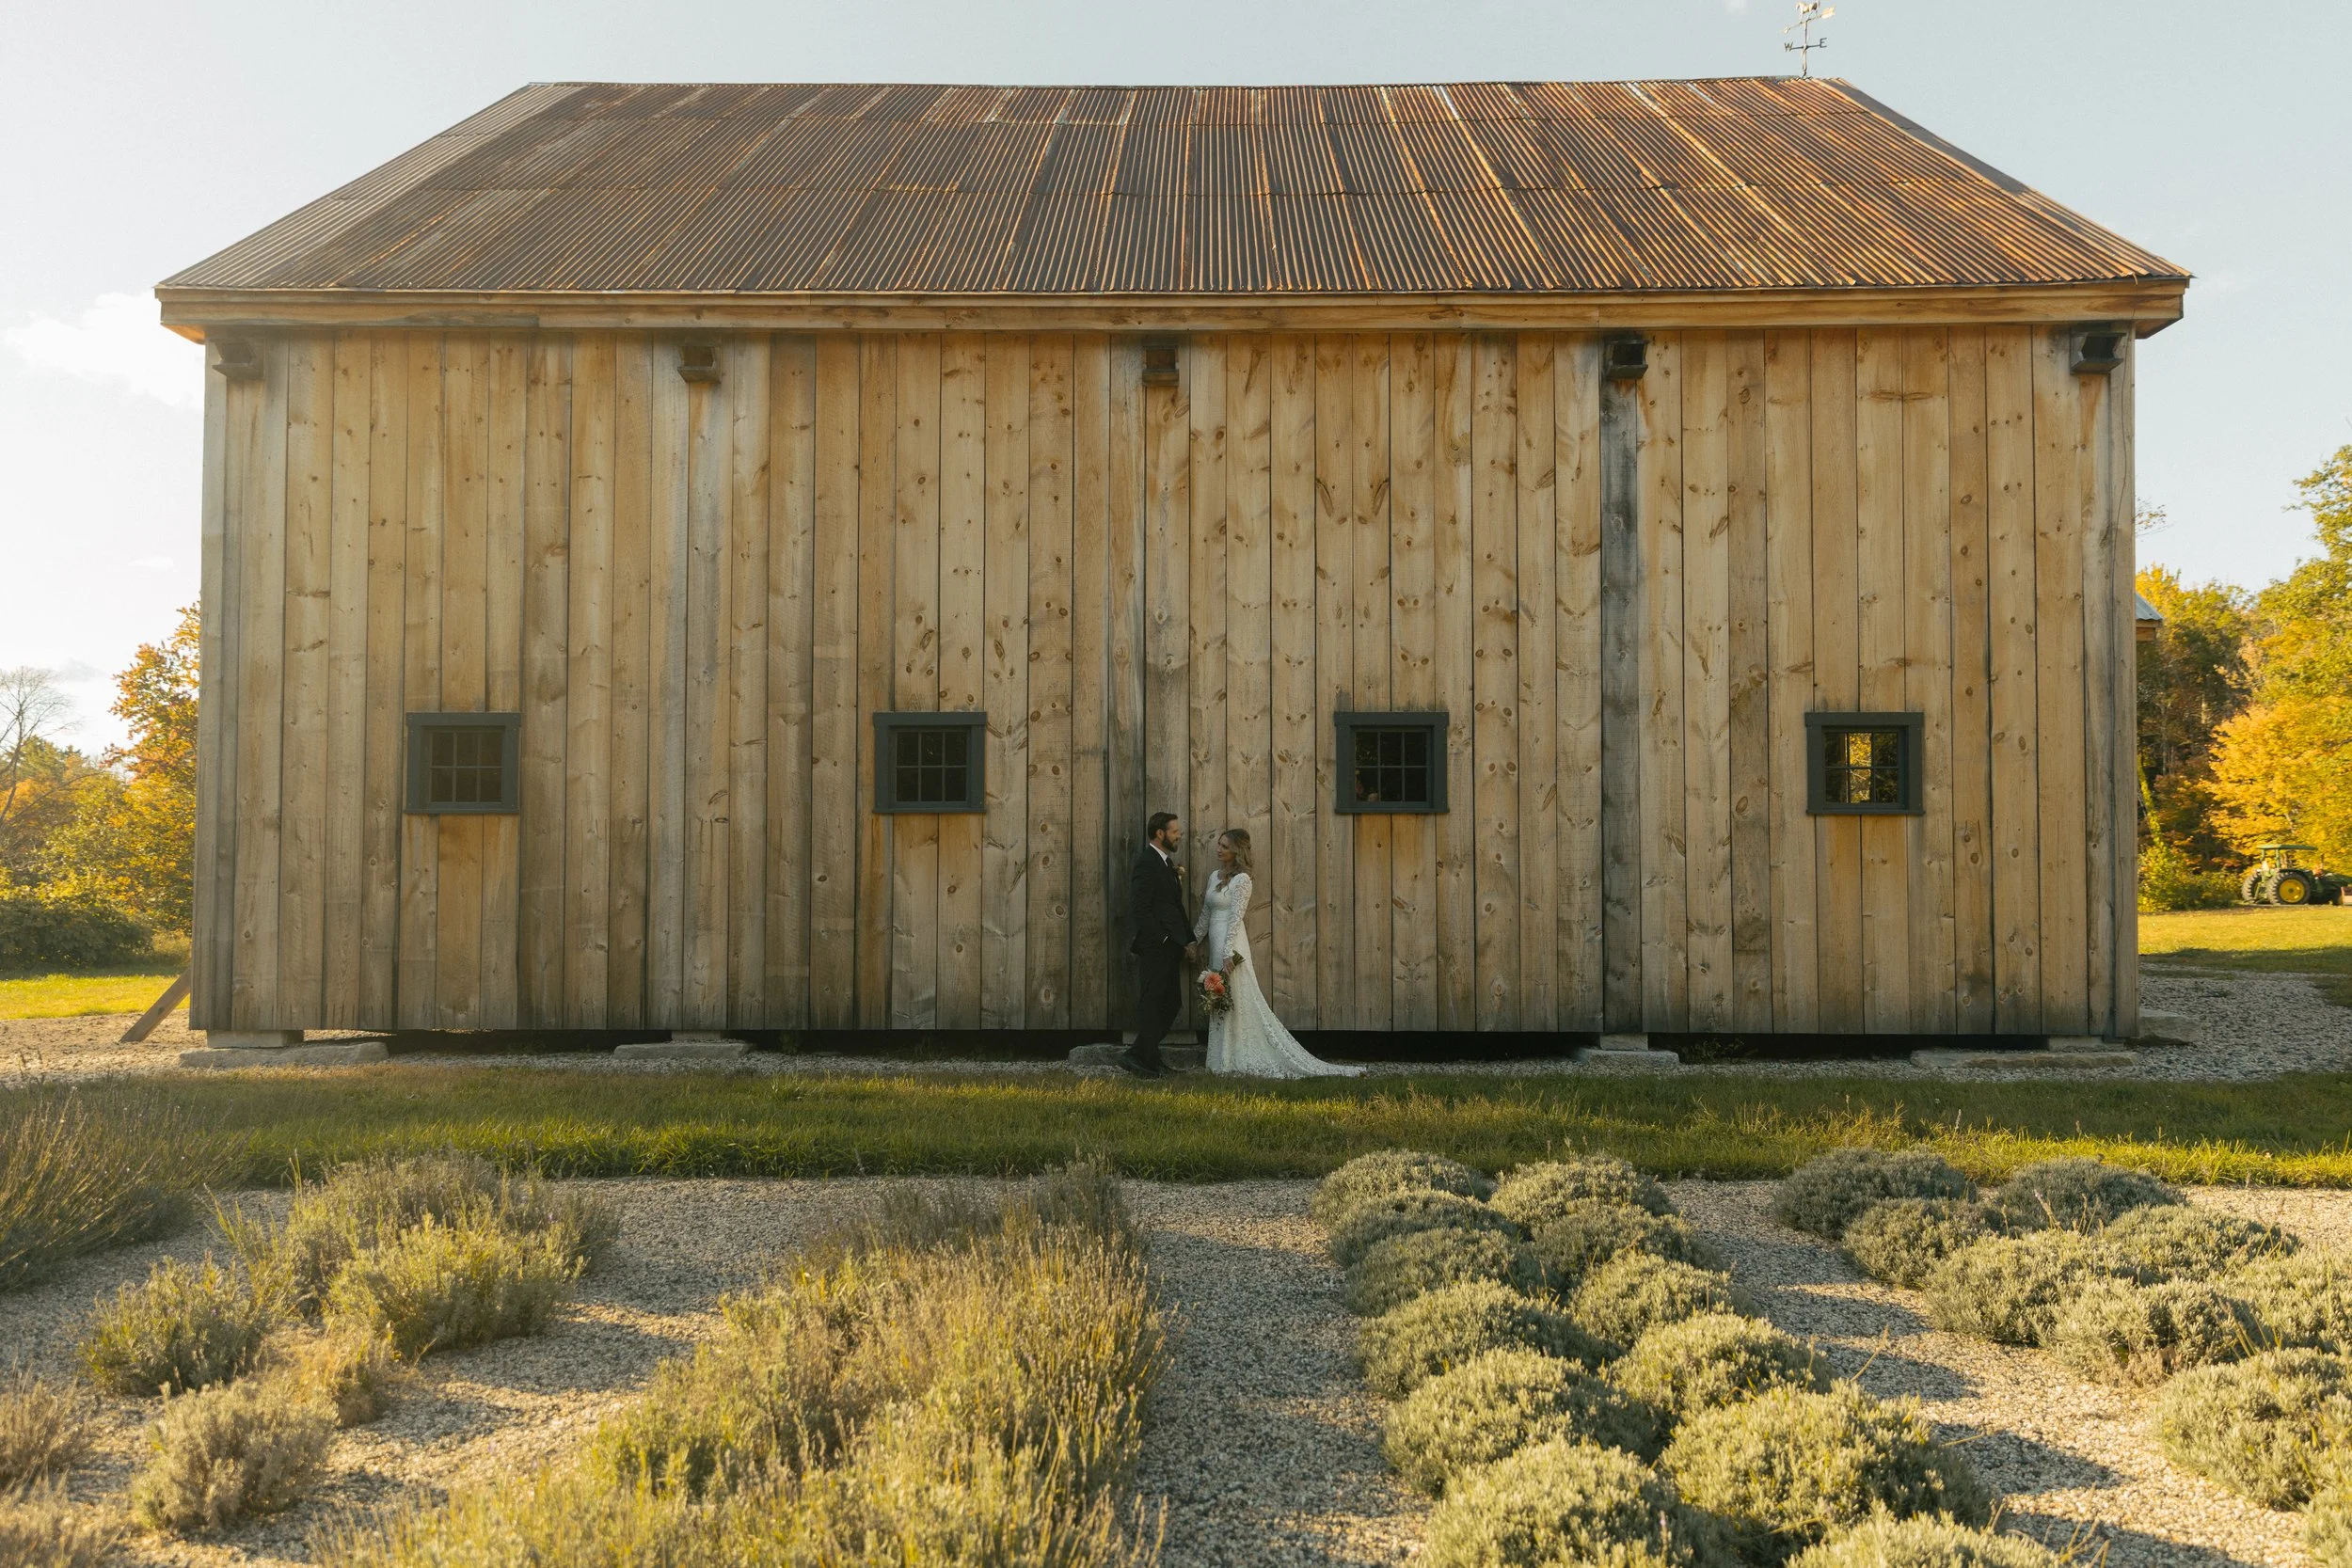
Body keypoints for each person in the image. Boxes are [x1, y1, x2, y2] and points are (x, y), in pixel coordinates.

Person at [1194, 828, 1362, 1079]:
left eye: (1225, 846)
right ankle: (1220, 1058)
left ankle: (1236, 1055)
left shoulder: (1242, 880)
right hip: (1216, 944)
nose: (1219, 849)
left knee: (1235, 997)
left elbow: (1235, 917)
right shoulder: (1213, 877)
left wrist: (1228, 952)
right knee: (1218, 997)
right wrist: (1193, 940)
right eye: (1219, 844)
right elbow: (1207, 914)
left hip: (1232, 945)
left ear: (1237, 851)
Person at [1122, 811, 1193, 1079]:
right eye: (1175, 831)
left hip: (1171, 946)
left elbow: (1175, 907)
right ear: (1160, 834)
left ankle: (1144, 1054)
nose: (1179, 835)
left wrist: (1189, 939)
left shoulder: (1166, 864)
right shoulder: (1146, 863)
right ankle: (1143, 1058)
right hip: (1156, 947)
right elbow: (1140, 909)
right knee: (1154, 1002)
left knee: (1171, 1002)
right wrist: (1162, 939)